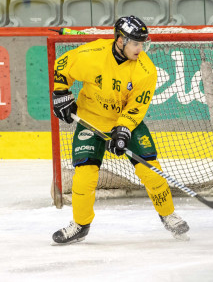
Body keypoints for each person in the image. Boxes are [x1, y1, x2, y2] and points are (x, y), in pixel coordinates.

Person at [51, 15, 189, 244]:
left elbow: (137, 107)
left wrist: (123, 130)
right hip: (91, 120)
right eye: (135, 43)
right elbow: (63, 65)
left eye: (142, 43)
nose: (139, 48)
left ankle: (168, 215)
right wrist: (60, 92)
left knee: (151, 171)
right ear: (120, 40)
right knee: (84, 177)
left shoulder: (145, 70)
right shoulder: (91, 55)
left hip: (126, 122)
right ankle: (80, 224)